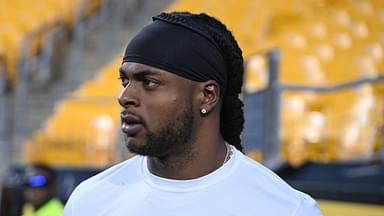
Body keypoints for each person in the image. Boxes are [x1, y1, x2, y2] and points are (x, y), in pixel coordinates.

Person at [63, 12, 323, 215]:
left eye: (149, 82)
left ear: (207, 96)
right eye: (125, 81)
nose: (125, 97)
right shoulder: (90, 201)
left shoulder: (285, 210)